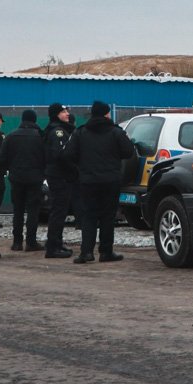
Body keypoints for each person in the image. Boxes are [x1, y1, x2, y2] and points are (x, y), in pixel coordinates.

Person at [64, 100, 135, 264]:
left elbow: (68, 155)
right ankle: (106, 252)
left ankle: (86, 252)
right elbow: (128, 151)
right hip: (111, 180)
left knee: (89, 216)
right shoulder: (116, 132)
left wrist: (80, 168)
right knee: (107, 216)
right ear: (106, 114)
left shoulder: (81, 132)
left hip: (88, 181)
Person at [0, 109, 45, 251]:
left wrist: (10, 169)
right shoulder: (40, 136)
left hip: (16, 177)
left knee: (18, 210)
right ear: (34, 120)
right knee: (33, 210)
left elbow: (2, 157)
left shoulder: (11, 136)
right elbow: (46, 157)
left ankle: (17, 241)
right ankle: (31, 242)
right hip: (35, 178)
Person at [41, 102, 76, 259]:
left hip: (60, 175)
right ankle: (53, 247)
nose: (67, 113)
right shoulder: (58, 132)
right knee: (58, 211)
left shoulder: (61, 129)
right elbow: (60, 155)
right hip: (59, 176)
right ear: (56, 114)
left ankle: (56, 243)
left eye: (67, 111)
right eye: (63, 111)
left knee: (59, 211)